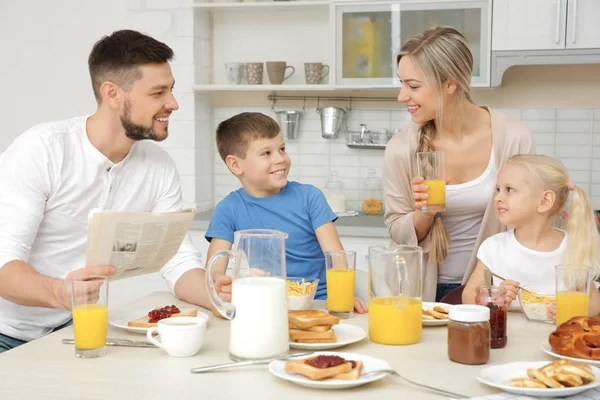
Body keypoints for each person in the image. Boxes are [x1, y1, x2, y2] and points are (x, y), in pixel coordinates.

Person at [0, 30, 212, 353]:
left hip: (74, 330)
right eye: (158, 92)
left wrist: (220, 294)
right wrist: (60, 293)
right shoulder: (41, 151)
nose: (173, 103)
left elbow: (177, 260)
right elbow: (4, 265)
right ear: (112, 94)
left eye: (171, 90)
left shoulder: (159, 166)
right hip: (7, 336)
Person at [383, 26, 534, 302]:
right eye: (402, 83)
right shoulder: (399, 149)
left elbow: (528, 221)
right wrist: (424, 213)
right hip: (421, 293)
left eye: (413, 86)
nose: (402, 96)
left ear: (449, 84)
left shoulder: (514, 138)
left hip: (493, 289)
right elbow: (396, 230)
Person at [205, 112, 367, 314]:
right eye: (266, 153)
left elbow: (335, 256)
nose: (280, 159)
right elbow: (215, 269)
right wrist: (221, 285)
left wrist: (341, 294)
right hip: (267, 302)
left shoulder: (310, 197)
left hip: (319, 302)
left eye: (281, 149)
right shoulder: (228, 208)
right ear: (236, 165)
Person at [462, 155, 600, 320]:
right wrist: (494, 300)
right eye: (498, 189)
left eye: (509, 190)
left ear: (544, 201)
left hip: (555, 341)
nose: (498, 197)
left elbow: (594, 302)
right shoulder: (494, 247)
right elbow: (468, 297)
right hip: (507, 340)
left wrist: (575, 309)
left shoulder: (573, 246)